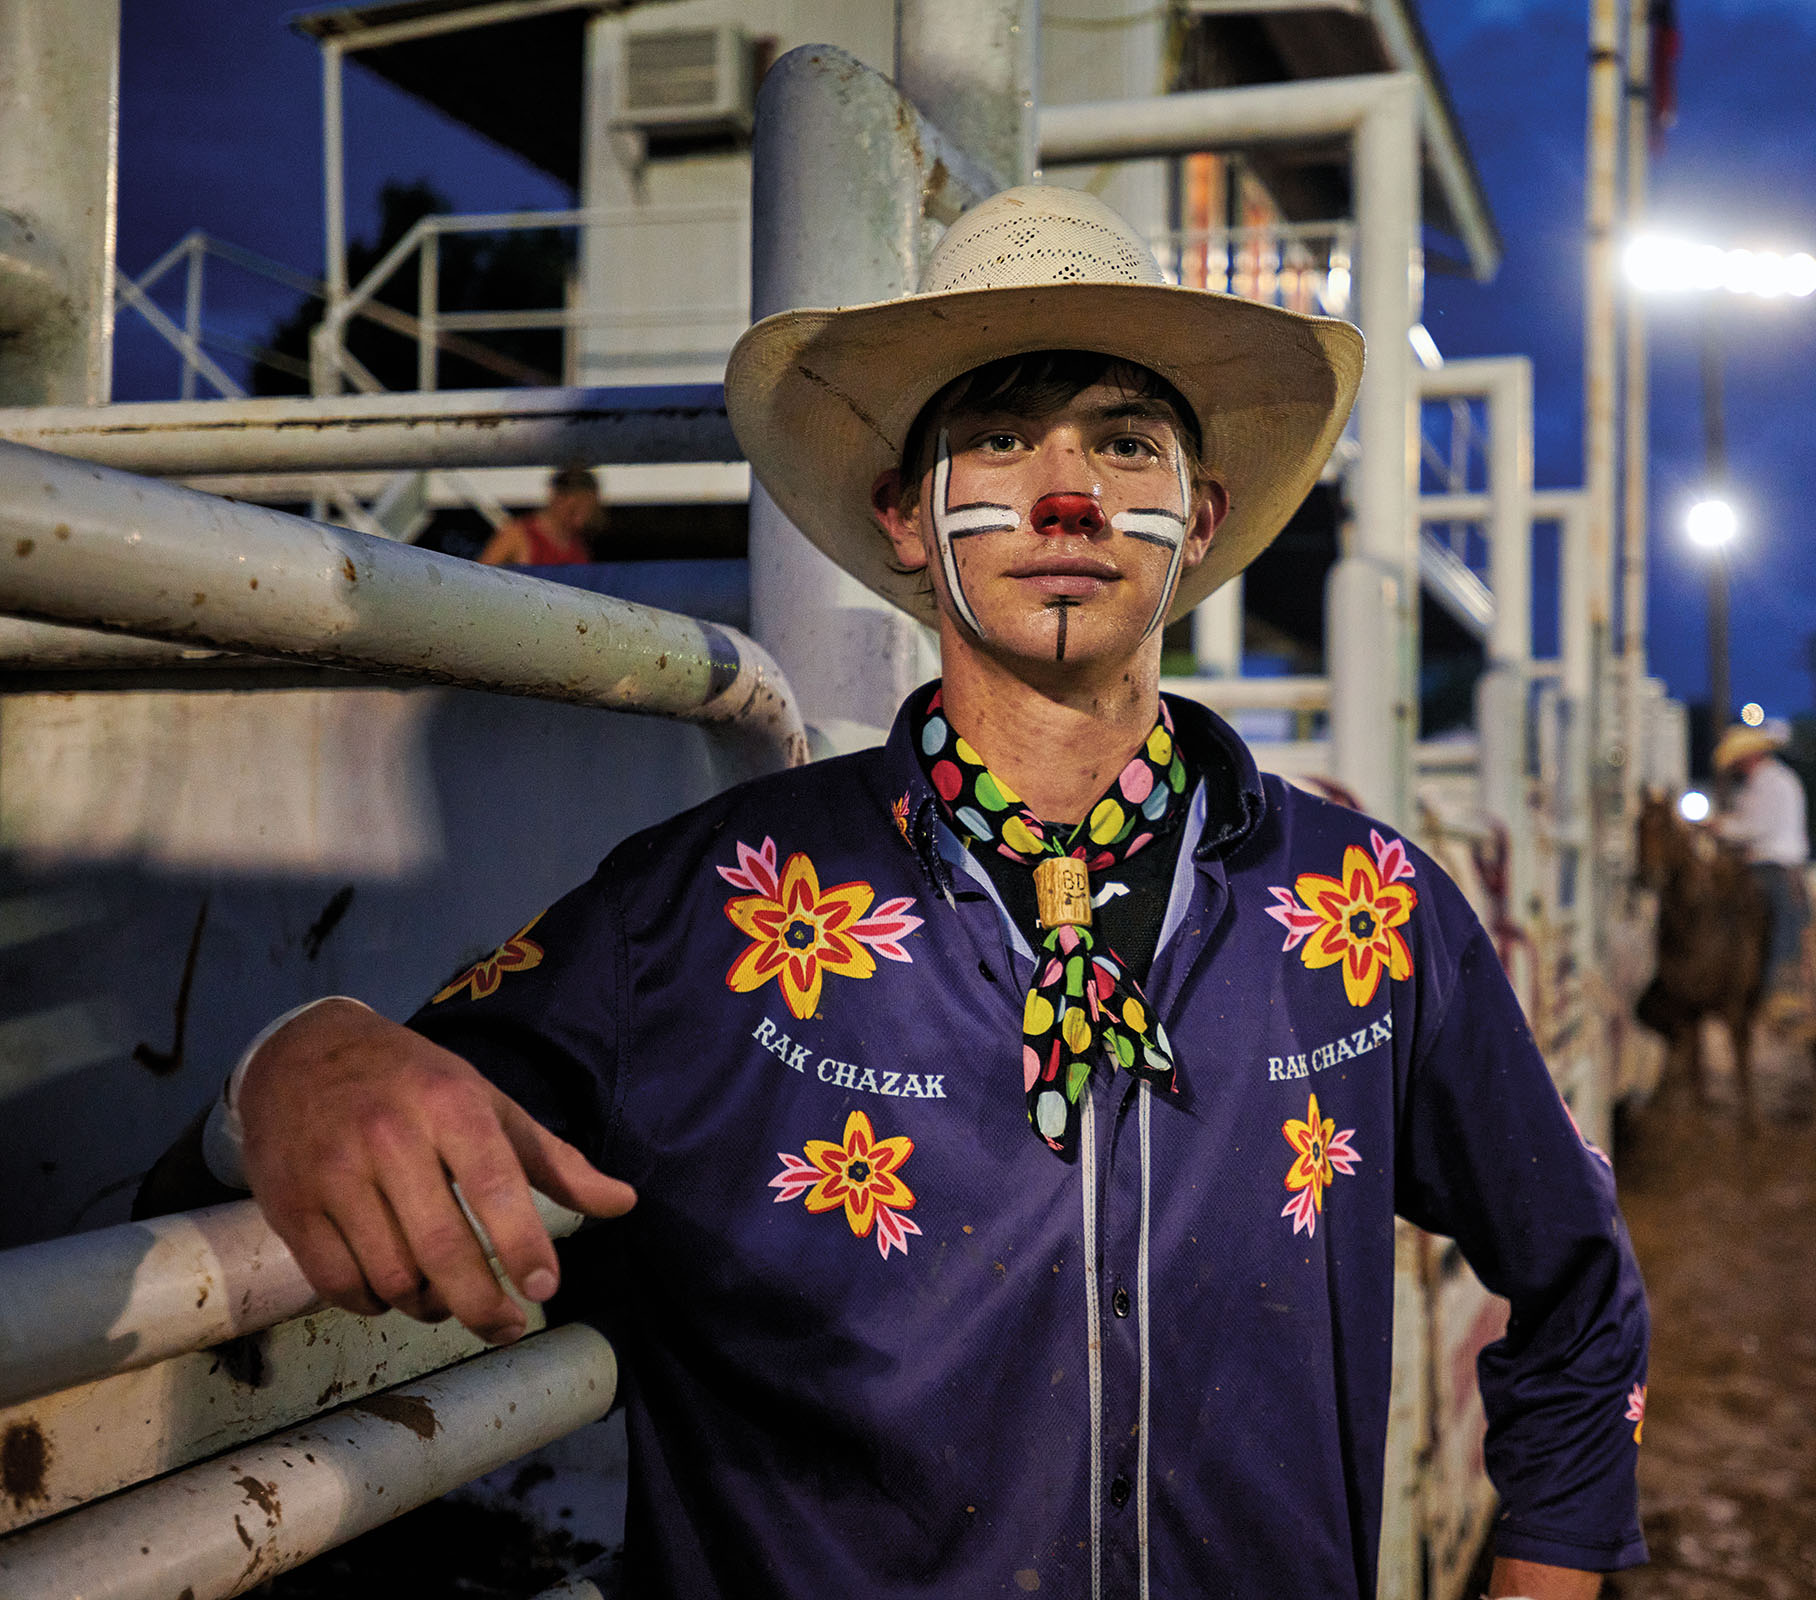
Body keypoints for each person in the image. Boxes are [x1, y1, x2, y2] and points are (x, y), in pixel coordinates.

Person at [188, 187, 1648, 1599]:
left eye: (1127, 445)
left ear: (1198, 520)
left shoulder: (1364, 907)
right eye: (1001, 437)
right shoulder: (711, 910)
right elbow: (375, 1117)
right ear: (905, 513)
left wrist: (1548, 1570)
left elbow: (1578, 1279)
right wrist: (291, 1059)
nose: (1068, 492)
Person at [1711, 722, 1816, 1033]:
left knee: (1784, 919)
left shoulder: (1772, 783)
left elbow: (1756, 828)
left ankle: (1781, 987)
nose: (1737, 766)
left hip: (1776, 864)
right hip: (1763, 861)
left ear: (1751, 756)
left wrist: (1720, 827)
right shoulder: (1765, 782)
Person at [476, 463, 603, 565]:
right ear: (557, 498)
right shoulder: (517, 534)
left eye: (588, 511)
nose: (581, 519)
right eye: (574, 510)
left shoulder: (579, 547)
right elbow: (479, 579)